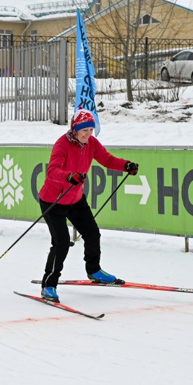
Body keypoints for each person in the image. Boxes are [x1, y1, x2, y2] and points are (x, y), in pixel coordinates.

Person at [37, 109, 138, 303]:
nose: (88, 134)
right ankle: (49, 285)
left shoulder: (91, 143)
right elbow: (52, 170)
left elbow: (106, 159)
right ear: (75, 129)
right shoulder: (62, 145)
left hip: (75, 199)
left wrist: (125, 165)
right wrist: (69, 176)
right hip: (54, 201)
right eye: (84, 130)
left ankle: (94, 271)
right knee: (61, 243)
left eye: (91, 129)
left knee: (92, 233)